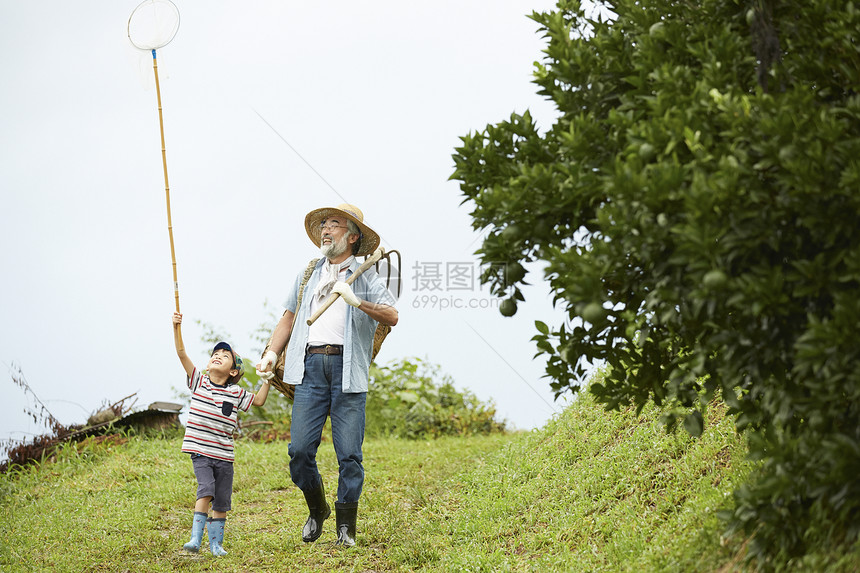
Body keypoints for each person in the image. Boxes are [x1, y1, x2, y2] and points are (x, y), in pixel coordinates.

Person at [256, 203, 398, 547]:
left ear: (352, 236)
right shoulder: (308, 274)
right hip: (310, 370)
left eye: (333, 224)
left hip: (347, 369)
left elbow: (392, 315)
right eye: (323, 224)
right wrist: (273, 352)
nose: (325, 229)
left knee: (349, 454)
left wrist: (356, 300)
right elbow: (288, 317)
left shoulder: (365, 276)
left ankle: (346, 527)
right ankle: (317, 507)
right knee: (300, 451)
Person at [172, 311, 270, 556]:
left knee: (222, 501)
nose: (218, 356)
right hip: (201, 452)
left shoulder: (236, 393)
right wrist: (176, 328)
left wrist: (266, 379)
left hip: (225, 456)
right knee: (206, 489)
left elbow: (258, 400)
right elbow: (182, 354)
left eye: (225, 356)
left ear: (234, 372)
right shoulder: (199, 381)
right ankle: (195, 539)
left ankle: (216, 544)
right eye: (215, 354)